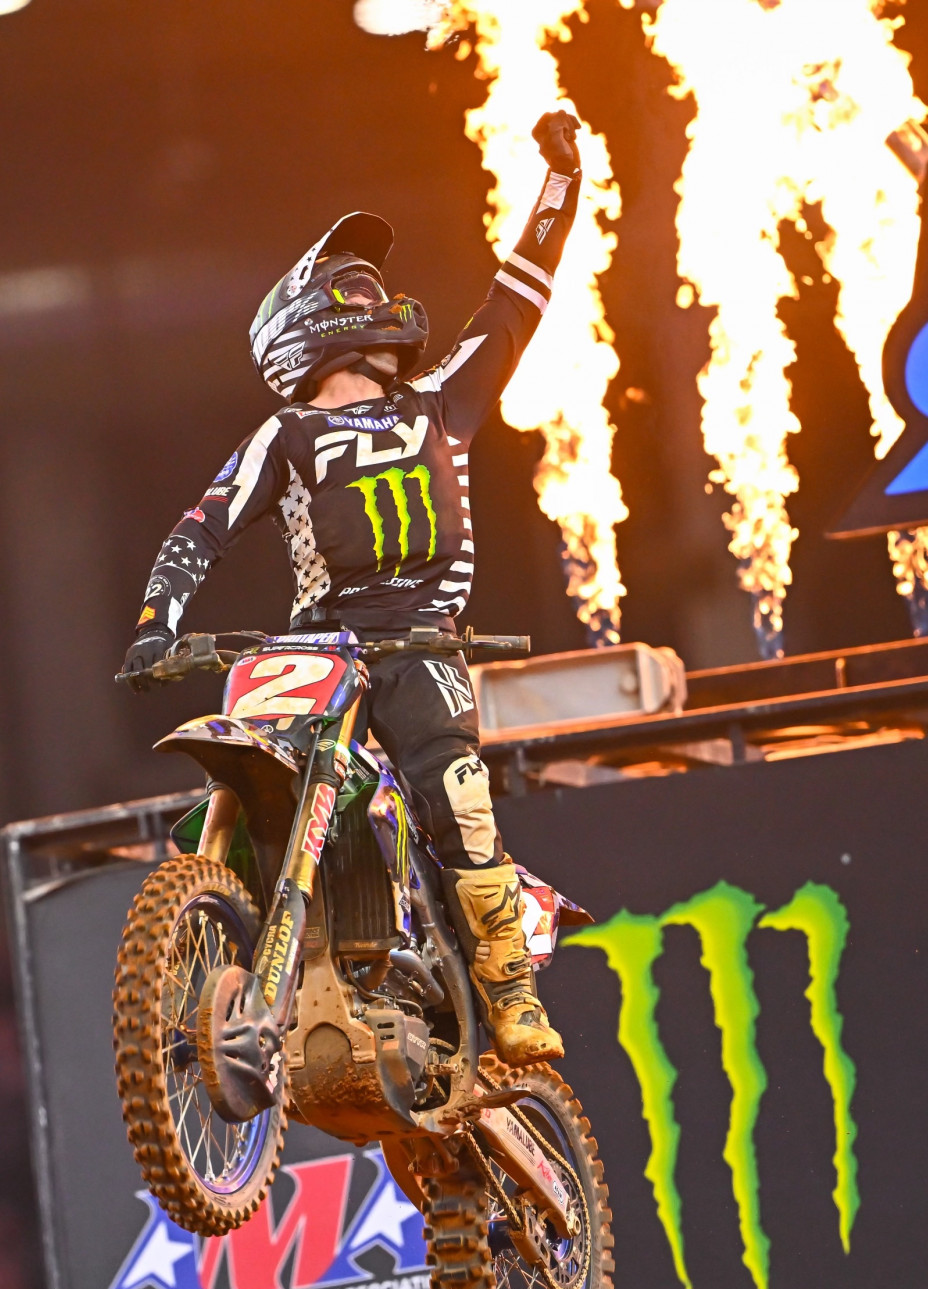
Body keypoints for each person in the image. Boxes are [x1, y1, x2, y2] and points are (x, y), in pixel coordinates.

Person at [117, 109, 585, 1066]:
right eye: (358, 282)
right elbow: (201, 527)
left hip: (423, 640)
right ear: (309, 318)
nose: (380, 294)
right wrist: (156, 625)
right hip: (319, 644)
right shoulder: (284, 435)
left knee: (457, 793)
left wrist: (560, 185)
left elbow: (518, 299)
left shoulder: (441, 403)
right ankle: (221, 944)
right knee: (248, 765)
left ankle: (507, 988)